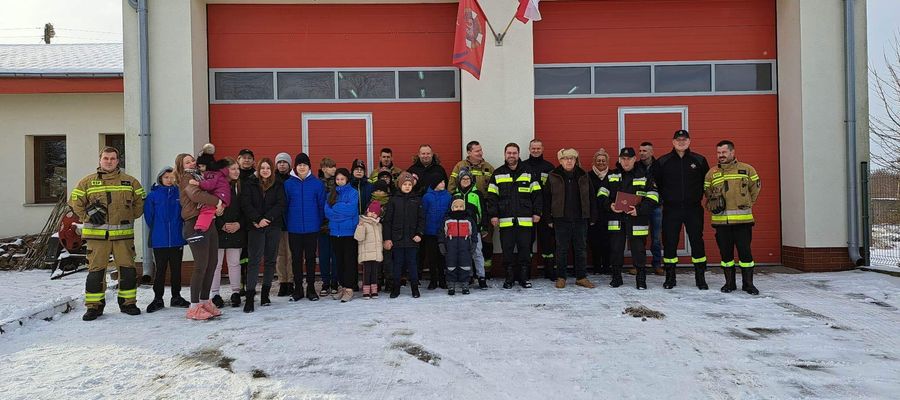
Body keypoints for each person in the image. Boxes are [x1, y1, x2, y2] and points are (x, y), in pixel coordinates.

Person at [70, 147, 146, 321]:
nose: (109, 161)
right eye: (106, 158)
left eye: (113, 158)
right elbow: (75, 202)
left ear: (118, 161)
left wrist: (128, 216)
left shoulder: (130, 182)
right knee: (96, 271)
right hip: (97, 238)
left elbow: (140, 203)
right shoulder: (86, 182)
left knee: (127, 271)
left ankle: (128, 303)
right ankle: (94, 307)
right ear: (100, 160)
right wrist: (88, 215)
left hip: (123, 237)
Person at [652, 130, 711, 290]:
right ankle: (670, 277)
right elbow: (654, 183)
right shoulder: (663, 161)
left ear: (689, 141)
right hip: (671, 209)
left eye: (684, 139)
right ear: (673, 142)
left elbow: (708, 184)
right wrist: (662, 199)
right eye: (678, 139)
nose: (681, 142)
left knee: (697, 242)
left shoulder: (699, 160)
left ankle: (700, 278)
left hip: (693, 209)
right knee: (670, 242)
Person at [704, 140, 761, 295]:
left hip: (743, 222)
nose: (721, 155)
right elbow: (707, 193)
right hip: (721, 223)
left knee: (745, 254)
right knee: (726, 255)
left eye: (724, 152)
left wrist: (747, 203)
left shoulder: (747, 169)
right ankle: (729, 283)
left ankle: (748, 284)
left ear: (732, 152)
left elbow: (755, 190)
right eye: (718, 153)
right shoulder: (712, 173)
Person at [486, 143, 543, 289]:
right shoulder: (498, 173)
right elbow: (492, 197)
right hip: (505, 220)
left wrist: (537, 212)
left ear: (518, 154)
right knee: (507, 250)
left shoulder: (529, 172)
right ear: (505, 154)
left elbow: (537, 195)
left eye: (514, 153)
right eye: (509, 153)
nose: (511, 155)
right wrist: (493, 215)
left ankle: (524, 278)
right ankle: (509, 278)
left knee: (525, 249)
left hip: (526, 220)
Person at [176, 152, 225, 320]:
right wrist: (217, 202)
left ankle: (205, 301)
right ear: (182, 166)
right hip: (194, 223)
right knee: (201, 265)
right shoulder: (185, 178)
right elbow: (195, 195)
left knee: (212, 263)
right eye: (187, 162)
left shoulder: (200, 177)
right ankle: (194, 306)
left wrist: (218, 207)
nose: (191, 163)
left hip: (208, 221)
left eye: (192, 160)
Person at [602, 147, 659, 290]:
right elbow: (601, 195)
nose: (626, 162)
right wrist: (610, 205)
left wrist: (639, 210)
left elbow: (653, 196)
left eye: (629, 159)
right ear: (620, 160)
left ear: (634, 159)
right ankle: (616, 277)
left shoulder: (644, 176)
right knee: (615, 249)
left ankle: (641, 279)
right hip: (617, 219)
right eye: (623, 159)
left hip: (636, 219)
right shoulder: (611, 176)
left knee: (639, 250)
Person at [545, 148, 596, 289]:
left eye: (571, 158)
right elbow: (546, 198)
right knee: (561, 249)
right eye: (565, 158)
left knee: (581, 248)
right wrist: (548, 219)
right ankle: (561, 277)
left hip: (580, 219)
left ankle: (581, 277)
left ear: (575, 160)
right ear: (560, 160)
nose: (569, 161)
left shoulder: (584, 175)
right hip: (560, 219)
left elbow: (592, 197)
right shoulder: (553, 176)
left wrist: (592, 216)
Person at [240, 158, 286, 312]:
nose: (265, 170)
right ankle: (250, 297)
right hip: (255, 227)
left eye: (268, 168)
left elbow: (281, 203)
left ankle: (265, 294)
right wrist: (257, 219)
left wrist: (268, 219)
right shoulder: (250, 183)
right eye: (263, 168)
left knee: (270, 260)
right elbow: (246, 204)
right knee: (254, 261)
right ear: (258, 169)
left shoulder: (278, 184)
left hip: (273, 226)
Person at [144, 166, 189, 313]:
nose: (169, 180)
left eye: (172, 177)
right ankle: (158, 298)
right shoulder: (153, 195)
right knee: (160, 270)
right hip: (160, 239)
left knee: (176, 270)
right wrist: (159, 229)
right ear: (160, 179)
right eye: (166, 177)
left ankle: (176, 297)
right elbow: (149, 217)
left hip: (177, 238)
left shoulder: (180, 193)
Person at [284, 153, 326, 302]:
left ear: (309, 166)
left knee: (310, 259)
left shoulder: (317, 184)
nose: (302, 167)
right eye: (299, 164)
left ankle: (311, 288)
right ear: (295, 167)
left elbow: (321, 205)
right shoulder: (288, 184)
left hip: (312, 228)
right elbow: (285, 206)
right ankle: (298, 289)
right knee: (296, 259)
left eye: (305, 164)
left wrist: (318, 221)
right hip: (294, 228)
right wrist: (288, 222)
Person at [383, 172, 425, 298]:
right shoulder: (393, 200)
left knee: (412, 264)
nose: (407, 186)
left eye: (409, 184)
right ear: (400, 185)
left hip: (412, 239)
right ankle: (395, 288)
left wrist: (419, 234)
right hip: (397, 239)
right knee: (397, 264)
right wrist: (387, 238)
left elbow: (421, 219)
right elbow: (387, 221)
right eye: (405, 184)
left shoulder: (417, 200)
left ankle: (415, 289)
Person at [210, 158, 246, 308]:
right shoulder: (216, 187)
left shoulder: (241, 186)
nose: (236, 171)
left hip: (236, 230)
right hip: (219, 231)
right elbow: (211, 208)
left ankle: (235, 292)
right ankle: (215, 294)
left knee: (234, 263)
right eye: (233, 169)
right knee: (216, 264)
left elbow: (247, 209)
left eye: (237, 168)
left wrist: (239, 224)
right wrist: (221, 224)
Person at [523, 139, 557, 281]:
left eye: (538, 148)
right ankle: (528, 272)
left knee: (547, 241)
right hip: (527, 211)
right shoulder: (523, 166)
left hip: (545, 210)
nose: (535, 151)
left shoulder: (549, 167)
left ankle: (549, 271)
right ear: (529, 149)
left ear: (542, 149)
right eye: (533, 148)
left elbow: (554, 191)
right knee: (527, 241)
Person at [325, 168, 360, 303]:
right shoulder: (331, 194)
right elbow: (327, 212)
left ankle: (349, 289)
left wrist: (336, 209)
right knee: (339, 261)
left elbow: (351, 210)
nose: (340, 181)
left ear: (347, 179)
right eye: (337, 179)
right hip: (335, 233)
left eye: (342, 179)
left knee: (349, 261)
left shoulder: (353, 192)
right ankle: (343, 287)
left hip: (349, 233)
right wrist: (341, 210)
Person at [186, 144, 231, 243]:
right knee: (207, 210)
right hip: (221, 196)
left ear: (208, 165)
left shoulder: (212, 174)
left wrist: (198, 183)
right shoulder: (214, 173)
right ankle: (199, 230)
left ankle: (199, 231)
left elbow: (210, 185)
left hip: (220, 195)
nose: (200, 168)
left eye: (202, 166)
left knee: (206, 210)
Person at [451, 168, 488, 289]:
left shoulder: (477, 194)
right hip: (460, 231)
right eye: (463, 178)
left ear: (471, 180)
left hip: (475, 229)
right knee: (465, 254)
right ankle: (469, 276)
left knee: (477, 253)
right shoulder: (455, 195)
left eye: (467, 178)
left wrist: (483, 227)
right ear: (459, 181)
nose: (465, 181)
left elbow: (483, 211)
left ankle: (481, 277)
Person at [439, 199, 478, 295]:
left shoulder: (468, 219)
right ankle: (451, 285)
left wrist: (474, 243)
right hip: (450, 246)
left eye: (461, 206)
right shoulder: (447, 219)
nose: (458, 208)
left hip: (465, 246)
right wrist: (441, 244)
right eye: (456, 207)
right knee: (450, 265)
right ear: (452, 208)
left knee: (465, 265)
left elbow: (474, 233)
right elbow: (441, 233)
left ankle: (465, 284)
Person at [639, 142, 664, 275]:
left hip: (656, 207)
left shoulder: (659, 166)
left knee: (656, 237)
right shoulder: (636, 166)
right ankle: (639, 265)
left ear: (651, 152)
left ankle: (657, 264)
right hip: (640, 207)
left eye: (645, 151)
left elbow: (665, 184)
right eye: (640, 151)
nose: (642, 153)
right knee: (639, 237)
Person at [422, 178, 451, 290]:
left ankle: (442, 280)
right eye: (440, 182)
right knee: (432, 257)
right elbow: (423, 213)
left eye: (444, 182)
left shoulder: (448, 196)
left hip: (444, 232)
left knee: (442, 256)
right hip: (430, 232)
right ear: (435, 184)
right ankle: (433, 280)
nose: (443, 184)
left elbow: (449, 212)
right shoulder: (427, 197)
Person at [587, 149, 612, 275]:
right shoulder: (588, 176)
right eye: (598, 160)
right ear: (594, 162)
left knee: (608, 242)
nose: (601, 162)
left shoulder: (613, 175)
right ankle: (597, 266)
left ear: (607, 162)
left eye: (603, 160)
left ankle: (607, 266)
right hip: (594, 214)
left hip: (609, 214)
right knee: (594, 241)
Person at [274, 152, 294, 297]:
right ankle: (282, 282)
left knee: (290, 254)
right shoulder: (272, 179)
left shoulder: (293, 180)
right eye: (279, 162)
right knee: (280, 255)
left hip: (291, 222)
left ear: (289, 164)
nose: (282, 164)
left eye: (284, 162)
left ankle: (291, 281)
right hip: (276, 223)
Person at [355, 201, 384, 299]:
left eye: (375, 213)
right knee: (367, 272)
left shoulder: (379, 225)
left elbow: (380, 239)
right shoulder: (363, 223)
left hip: (376, 254)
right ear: (367, 211)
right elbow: (358, 238)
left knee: (375, 272)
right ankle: (366, 291)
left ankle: (374, 290)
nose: (373, 214)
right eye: (371, 211)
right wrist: (360, 227)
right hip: (367, 253)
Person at [318, 157, 339, 295]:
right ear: (324, 168)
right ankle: (325, 283)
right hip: (321, 226)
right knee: (324, 255)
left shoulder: (338, 184)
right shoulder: (317, 183)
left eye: (334, 166)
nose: (334, 169)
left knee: (336, 255)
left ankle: (335, 282)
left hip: (336, 225)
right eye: (331, 167)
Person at [370, 180, 393, 292]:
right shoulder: (370, 202)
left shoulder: (390, 203)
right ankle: (378, 281)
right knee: (376, 261)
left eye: (382, 190)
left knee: (388, 261)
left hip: (387, 235)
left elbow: (392, 221)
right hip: (374, 236)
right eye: (377, 190)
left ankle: (389, 281)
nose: (379, 193)